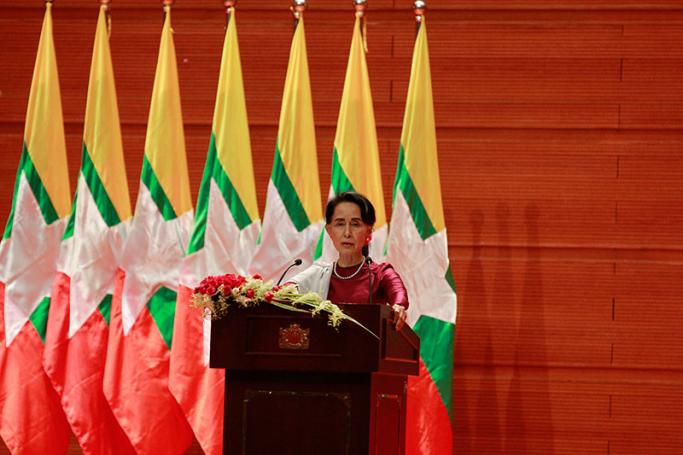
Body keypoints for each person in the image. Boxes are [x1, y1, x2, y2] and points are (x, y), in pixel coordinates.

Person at [289, 192, 408, 330]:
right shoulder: (318, 274)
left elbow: (398, 292)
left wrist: (399, 306)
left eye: (355, 224)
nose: (347, 233)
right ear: (329, 231)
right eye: (339, 224)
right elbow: (282, 293)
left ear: (369, 232)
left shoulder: (380, 273)